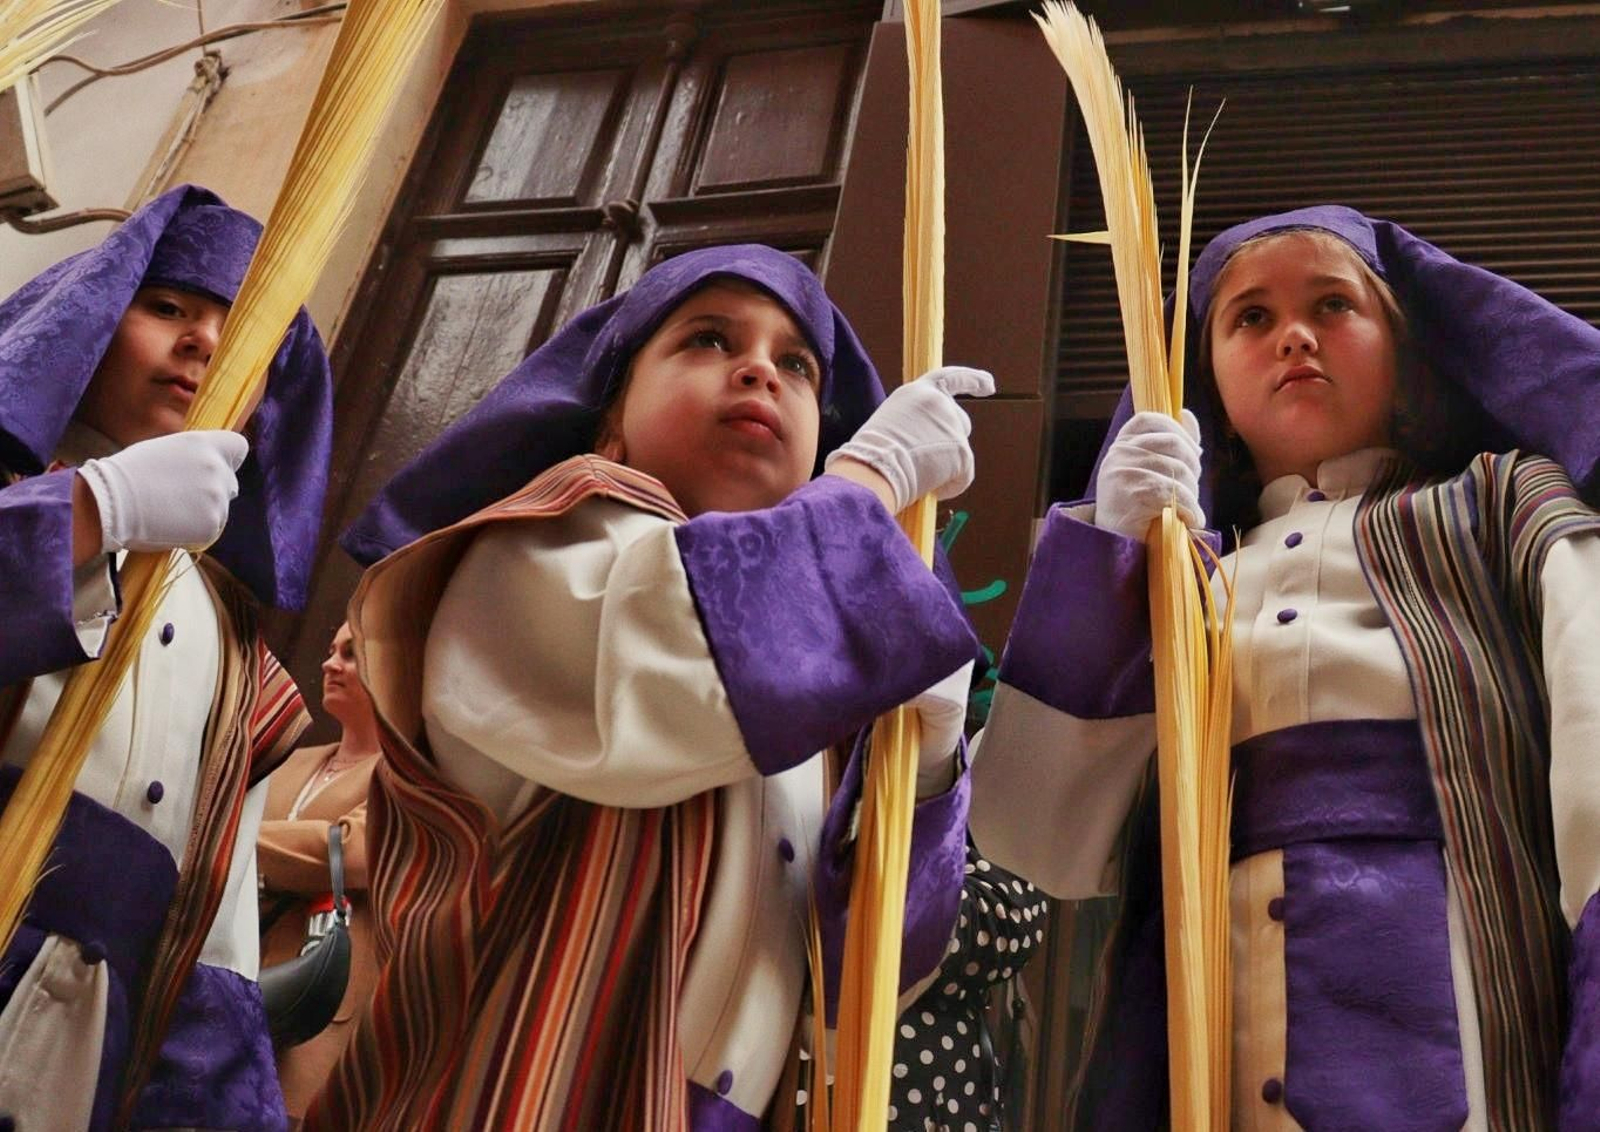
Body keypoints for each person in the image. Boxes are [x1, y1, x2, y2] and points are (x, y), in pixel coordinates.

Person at [308, 245, 988, 1129]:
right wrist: (867, 487)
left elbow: (873, 976)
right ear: (609, 418)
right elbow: (669, 672)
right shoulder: (540, 544)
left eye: (796, 365)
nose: (758, 370)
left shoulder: (817, 676)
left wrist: (931, 764)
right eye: (708, 340)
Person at [970, 206, 1600, 1130]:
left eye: (1333, 304)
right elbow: (1038, 838)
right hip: (1218, 1013)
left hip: (1467, 993)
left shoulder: (1506, 504)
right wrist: (1107, 561)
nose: (1294, 336)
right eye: (1250, 317)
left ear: (1402, 344)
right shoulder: (1185, 584)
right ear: (1208, 377)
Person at [0, 184, 332, 1131]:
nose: (203, 344)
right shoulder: (25, 491)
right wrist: (92, 510)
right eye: (169, 308)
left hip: (79, 1054)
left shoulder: (240, 659)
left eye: (242, 330)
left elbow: (214, 935)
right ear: (92, 315)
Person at [258, 621, 381, 1123]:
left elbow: (354, 854)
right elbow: (323, 844)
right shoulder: (291, 756)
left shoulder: (411, 774)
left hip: (316, 997)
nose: (331, 664)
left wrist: (236, 840)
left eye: (352, 654)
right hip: (236, 974)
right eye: (330, 650)